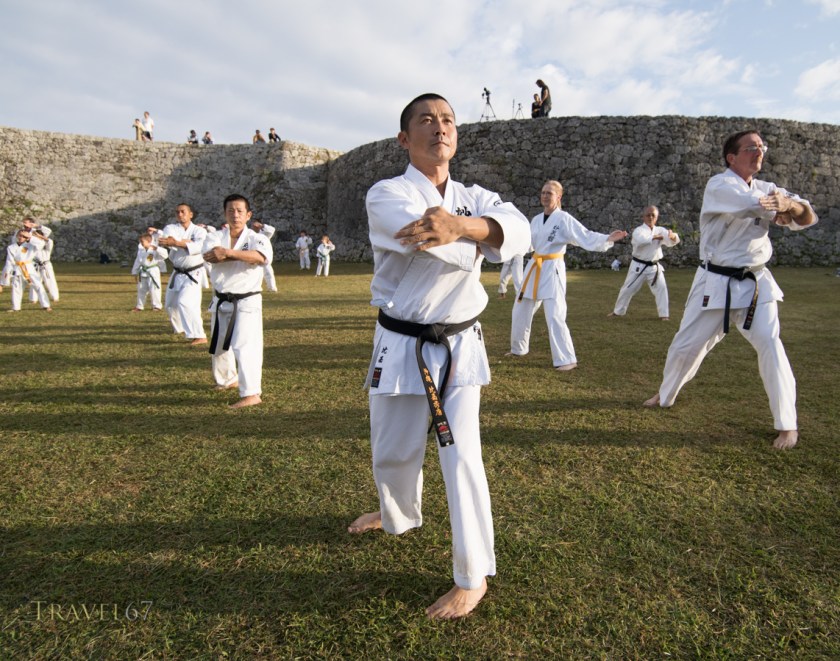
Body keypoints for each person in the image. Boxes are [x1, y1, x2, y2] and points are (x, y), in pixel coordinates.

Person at [348, 93, 530, 620]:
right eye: (426, 119)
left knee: (462, 454)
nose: (439, 126)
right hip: (401, 338)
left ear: (456, 134)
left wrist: (466, 226)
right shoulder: (386, 192)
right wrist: (481, 238)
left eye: (447, 119)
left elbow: (518, 232)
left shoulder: (478, 195)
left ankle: (472, 576)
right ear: (405, 138)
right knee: (393, 450)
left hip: (459, 344)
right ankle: (396, 514)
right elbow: (425, 240)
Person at [644, 130, 818, 450]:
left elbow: (807, 216)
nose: (759, 152)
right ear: (732, 158)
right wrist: (783, 206)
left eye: (762, 147)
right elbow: (754, 206)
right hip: (715, 280)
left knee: (770, 343)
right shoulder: (719, 185)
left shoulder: (768, 187)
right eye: (751, 148)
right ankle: (665, 395)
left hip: (756, 282)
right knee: (687, 347)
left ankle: (787, 425)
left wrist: (790, 205)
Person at [508, 180, 626, 370]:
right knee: (520, 308)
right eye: (543, 192)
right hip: (534, 266)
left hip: (552, 268)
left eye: (550, 193)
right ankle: (518, 348)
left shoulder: (564, 219)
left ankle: (566, 359)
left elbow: (583, 235)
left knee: (555, 314)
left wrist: (607, 238)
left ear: (558, 197)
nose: (545, 196)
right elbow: (528, 243)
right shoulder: (536, 219)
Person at [202, 194, 273, 409]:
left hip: (246, 300)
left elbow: (260, 257)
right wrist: (237, 255)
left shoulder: (257, 238)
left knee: (246, 346)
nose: (235, 214)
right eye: (231, 210)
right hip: (221, 297)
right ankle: (227, 380)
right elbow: (210, 255)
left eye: (240, 211)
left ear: (248, 215)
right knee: (219, 346)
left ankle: (252, 393)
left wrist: (228, 254)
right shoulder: (215, 236)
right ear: (225, 213)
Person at [609, 206, 680, 320]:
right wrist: (656, 237)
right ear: (643, 217)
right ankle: (618, 312)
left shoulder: (660, 230)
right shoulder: (639, 231)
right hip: (638, 266)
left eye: (653, 215)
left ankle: (664, 315)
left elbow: (672, 239)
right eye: (648, 215)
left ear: (657, 217)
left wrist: (673, 237)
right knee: (627, 289)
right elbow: (642, 240)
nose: (650, 217)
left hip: (654, 267)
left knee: (662, 289)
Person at [158, 203, 208, 345]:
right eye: (177, 212)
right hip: (177, 272)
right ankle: (180, 328)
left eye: (183, 212)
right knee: (170, 305)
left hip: (194, 272)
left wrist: (178, 243)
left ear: (190, 214)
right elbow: (165, 241)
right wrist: (185, 243)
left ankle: (199, 335)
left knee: (186, 302)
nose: (180, 214)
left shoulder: (199, 231)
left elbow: (200, 247)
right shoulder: (170, 228)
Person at [1, 229, 52, 312]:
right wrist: (3, 282)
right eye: (20, 235)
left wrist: (30, 237)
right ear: (17, 236)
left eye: (24, 236)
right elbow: (9, 263)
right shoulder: (11, 247)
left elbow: (41, 243)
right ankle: (16, 307)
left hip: (29, 269)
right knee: (16, 289)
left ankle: (46, 305)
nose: (21, 237)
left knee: (38, 286)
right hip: (17, 269)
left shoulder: (32, 245)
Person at [131, 232, 168, 311]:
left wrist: (157, 248)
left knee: (154, 289)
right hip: (143, 271)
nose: (141, 243)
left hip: (153, 271)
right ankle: (139, 306)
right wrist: (134, 272)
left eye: (142, 242)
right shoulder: (141, 250)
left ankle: (157, 306)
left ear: (148, 241)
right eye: (140, 242)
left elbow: (165, 256)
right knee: (141, 289)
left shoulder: (155, 249)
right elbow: (137, 261)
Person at [250, 220, 278, 292]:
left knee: (268, 273)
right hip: (254, 257)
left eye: (256, 224)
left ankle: (272, 288)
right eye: (253, 225)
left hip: (265, 257)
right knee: (254, 274)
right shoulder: (251, 234)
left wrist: (262, 225)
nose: (254, 226)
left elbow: (272, 230)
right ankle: (253, 289)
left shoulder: (264, 234)